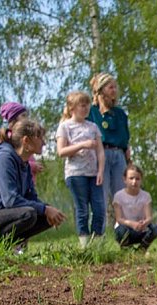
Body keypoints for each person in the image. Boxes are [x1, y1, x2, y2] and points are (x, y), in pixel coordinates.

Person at [0, 118, 65, 244]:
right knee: (29, 213)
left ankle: (13, 246)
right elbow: (11, 200)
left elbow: (30, 197)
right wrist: (44, 209)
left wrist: (47, 210)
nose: (44, 143)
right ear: (26, 141)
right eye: (40, 138)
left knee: (45, 215)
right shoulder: (4, 159)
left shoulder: (24, 164)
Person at [56, 91, 105, 247]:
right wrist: (82, 145)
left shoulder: (93, 127)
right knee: (82, 210)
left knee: (99, 209)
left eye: (87, 105)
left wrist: (101, 170)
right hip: (76, 173)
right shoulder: (65, 127)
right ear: (72, 108)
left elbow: (100, 151)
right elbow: (61, 152)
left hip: (93, 173)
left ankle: (96, 243)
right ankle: (84, 244)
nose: (85, 108)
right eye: (81, 105)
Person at [88, 73, 130, 218]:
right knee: (100, 194)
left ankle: (124, 232)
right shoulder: (91, 112)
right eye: (110, 87)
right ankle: (98, 234)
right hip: (100, 155)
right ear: (101, 90)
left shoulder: (119, 114)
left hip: (119, 155)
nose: (114, 91)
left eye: (115, 87)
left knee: (122, 195)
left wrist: (127, 157)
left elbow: (125, 137)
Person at [113, 163, 157, 249]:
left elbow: (149, 217)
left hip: (140, 229)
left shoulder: (146, 196)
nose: (134, 182)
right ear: (125, 179)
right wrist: (131, 223)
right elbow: (119, 219)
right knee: (121, 230)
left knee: (155, 229)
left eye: (137, 179)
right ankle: (126, 248)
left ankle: (142, 249)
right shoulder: (118, 196)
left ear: (141, 180)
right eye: (131, 178)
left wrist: (144, 223)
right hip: (126, 229)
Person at [0, 102, 44, 184]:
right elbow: (13, 162)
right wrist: (32, 166)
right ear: (13, 119)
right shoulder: (12, 140)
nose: (27, 119)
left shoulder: (26, 139)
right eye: (23, 116)